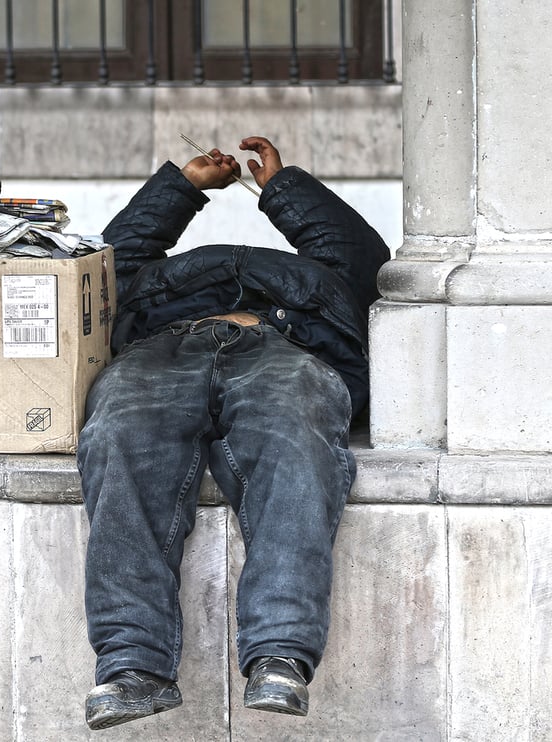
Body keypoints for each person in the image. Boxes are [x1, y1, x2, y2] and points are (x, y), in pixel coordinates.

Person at [78, 136, 391, 730]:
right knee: (116, 438)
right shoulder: (150, 287)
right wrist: (184, 186)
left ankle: (279, 654)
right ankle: (132, 666)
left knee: (298, 445)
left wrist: (282, 188)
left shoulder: (323, 284)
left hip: (286, 347)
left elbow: (360, 255)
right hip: (160, 351)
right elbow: (107, 262)